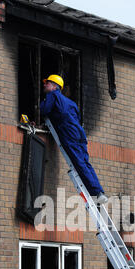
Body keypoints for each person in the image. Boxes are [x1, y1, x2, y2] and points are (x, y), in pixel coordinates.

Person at [40, 74, 107, 204]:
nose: (44, 85)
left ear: (54, 86)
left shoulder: (52, 95)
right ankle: (99, 191)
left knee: (79, 163)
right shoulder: (71, 103)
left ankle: (96, 193)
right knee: (85, 162)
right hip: (79, 134)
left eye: (47, 83)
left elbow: (43, 110)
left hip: (69, 134)